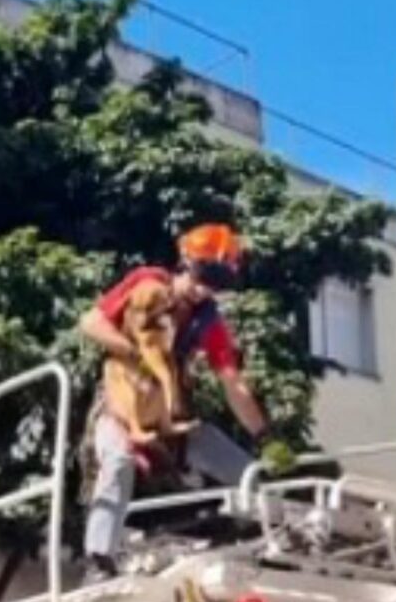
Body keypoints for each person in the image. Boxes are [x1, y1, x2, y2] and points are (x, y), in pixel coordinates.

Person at [79, 223, 273, 581]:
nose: (205, 289)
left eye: (217, 282)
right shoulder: (147, 284)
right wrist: (139, 353)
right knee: (117, 461)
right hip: (122, 407)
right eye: (204, 275)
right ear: (186, 263)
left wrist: (265, 437)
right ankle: (98, 558)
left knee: (246, 471)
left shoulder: (208, 321)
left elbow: (232, 383)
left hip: (168, 418)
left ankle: (272, 536)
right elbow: (91, 322)